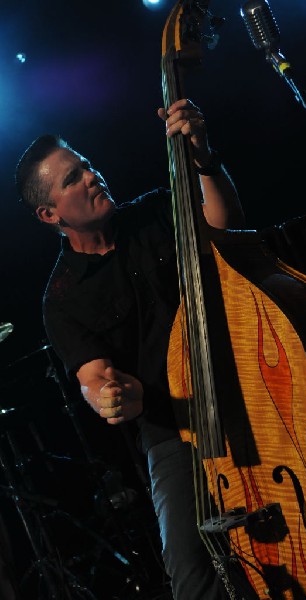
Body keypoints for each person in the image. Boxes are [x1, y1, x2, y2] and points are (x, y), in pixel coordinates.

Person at [15, 98, 259, 600]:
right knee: (188, 572)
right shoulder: (62, 299)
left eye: (86, 165)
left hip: (247, 387)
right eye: (72, 178)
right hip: (172, 428)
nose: (90, 176)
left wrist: (203, 155)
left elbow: (223, 218)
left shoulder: (152, 211)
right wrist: (112, 397)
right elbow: (94, 378)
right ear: (49, 213)